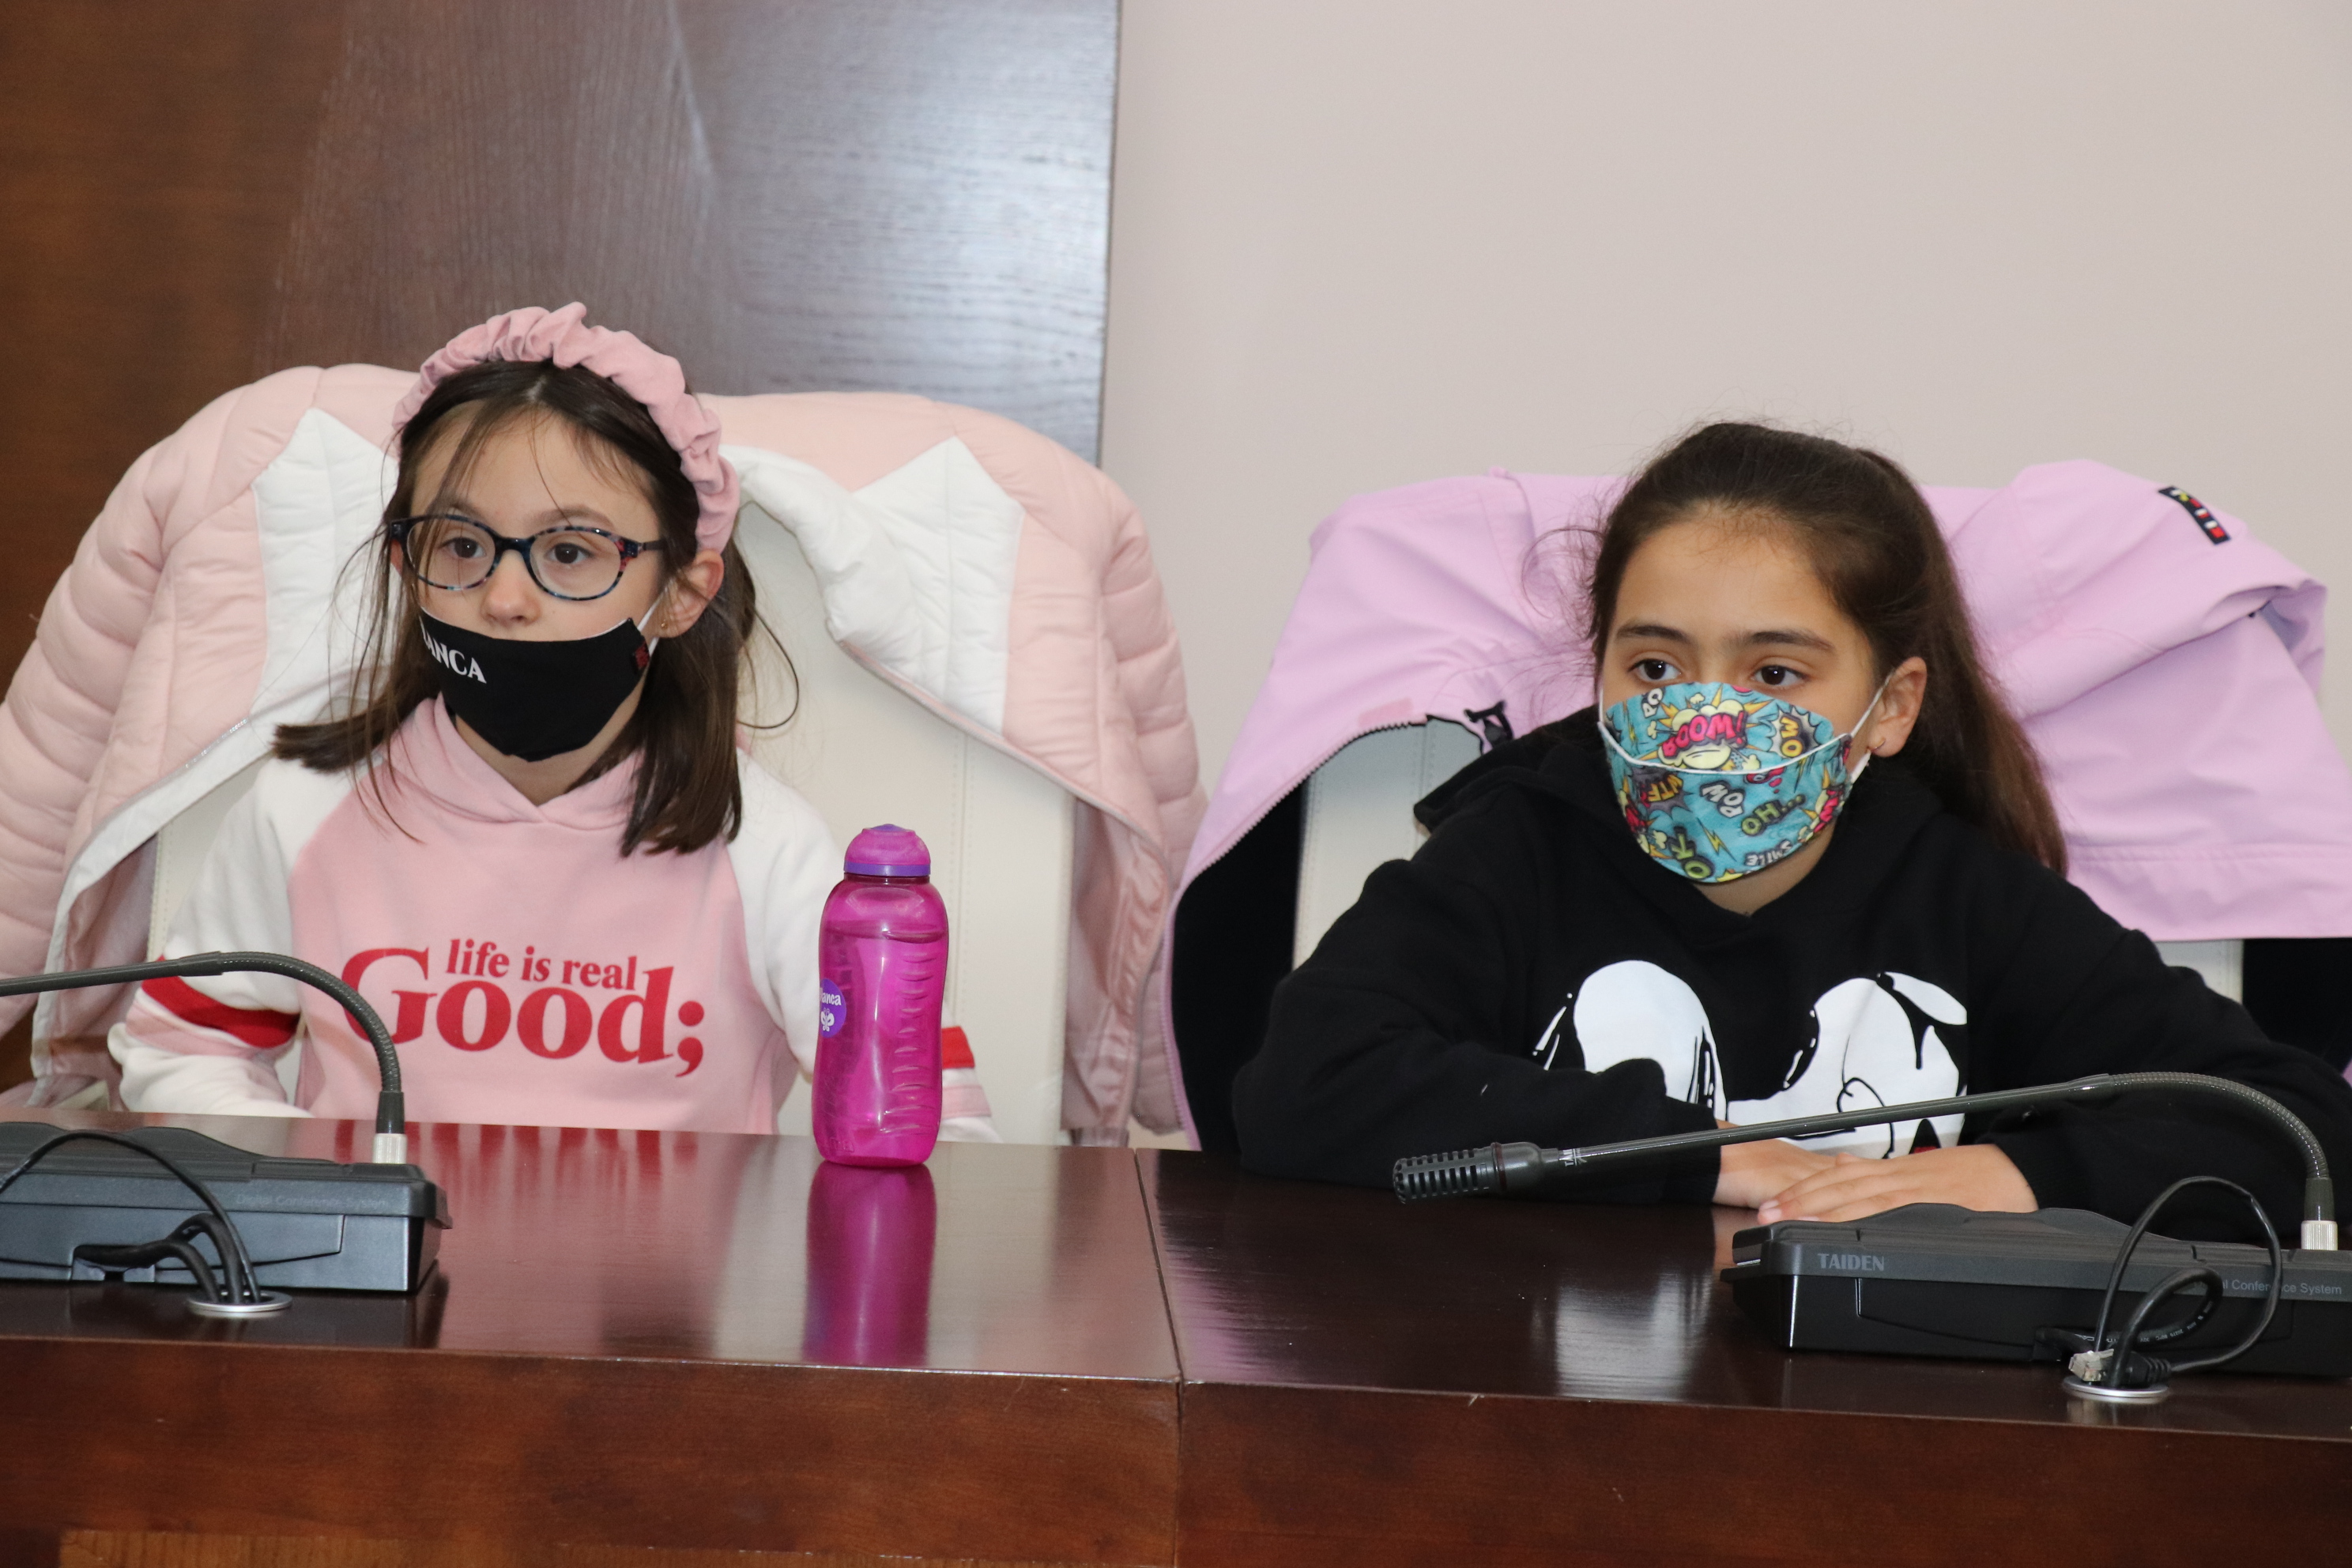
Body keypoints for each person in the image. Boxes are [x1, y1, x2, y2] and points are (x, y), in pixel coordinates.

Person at [1231, 421, 2352, 1231]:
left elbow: (2300, 1126)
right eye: (1655, 665)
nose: (1705, 719)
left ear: (1892, 707)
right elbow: (1302, 1084)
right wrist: (1702, 1158)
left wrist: (2014, 1176)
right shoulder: (1517, 854)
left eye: (1774, 672)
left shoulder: (1968, 900)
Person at [108, 304, 843, 1134]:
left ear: (681, 593)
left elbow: (920, 1116)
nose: (504, 598)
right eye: (461, 545)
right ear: (404, 560)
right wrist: (295, 1184)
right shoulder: (305, 808)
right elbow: (186, 1049)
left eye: (569, 552)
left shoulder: (768, 851)